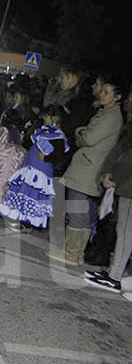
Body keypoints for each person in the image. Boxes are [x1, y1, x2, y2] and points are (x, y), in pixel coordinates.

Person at [52, 77, 125, 265]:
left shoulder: (111, 117)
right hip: (86, 165)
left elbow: (89, 138)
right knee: (80, 209)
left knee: (77, 208)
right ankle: (74, 253)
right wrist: (82, 133)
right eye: (102, 91)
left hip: (88, 167)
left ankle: (71, 253)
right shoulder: (106, 113)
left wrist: (79, 133)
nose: (101, 94)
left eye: (107, 92)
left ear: (117, 97)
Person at [85, 88, 132, 292]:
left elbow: (128, 157)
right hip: (126, 183)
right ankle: (113, 271)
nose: (128, 102)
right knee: (123, 230)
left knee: (125, 231)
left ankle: (115, 277)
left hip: (128, 185)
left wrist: (114, 178)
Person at [0, 105, 69, 229]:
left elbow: (59, 157)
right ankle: (19, 218)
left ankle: (28, 223)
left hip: (39, 172)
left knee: (32, 195)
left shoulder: (58, 136)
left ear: (54, 118)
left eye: (46, 117)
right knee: (24, 193)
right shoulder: (44, 131)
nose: (44, 119)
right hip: (30, 167)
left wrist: (46, 158)